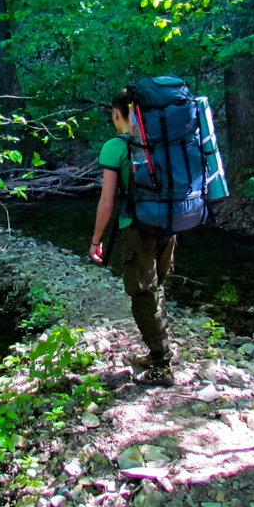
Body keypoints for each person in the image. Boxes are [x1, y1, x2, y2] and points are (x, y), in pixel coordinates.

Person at [89, 89, 176, 384]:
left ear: (117, 113)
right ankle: (158, 353)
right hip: (170, 222)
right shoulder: (164, 139)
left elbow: (107, 202)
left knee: (142, 292)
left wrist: (96, 239)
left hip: (137, 227)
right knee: (156, 285)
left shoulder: (115, 147)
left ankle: (161, 366)